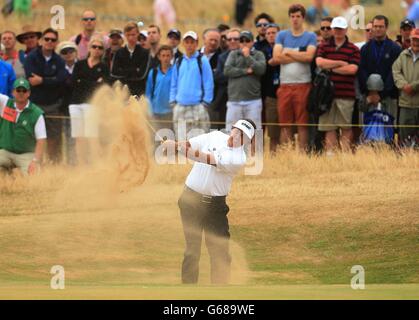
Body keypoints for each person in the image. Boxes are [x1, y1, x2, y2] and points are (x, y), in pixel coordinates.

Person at [161, 118, 256, 284]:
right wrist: (174, 145)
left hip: (215, 207)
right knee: (192, 250)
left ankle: (219, 294)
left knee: (220, 252)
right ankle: (188, 294)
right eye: (237, 131)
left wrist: (179, 148)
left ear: (247, 141)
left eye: (243, 136)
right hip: (190, 200)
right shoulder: (215, 136)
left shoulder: (238, 158)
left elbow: (205, 158)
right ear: (232, 128)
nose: (237, 136)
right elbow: (189, 144)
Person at [273, 4, 317, 151]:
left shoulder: (310, 36)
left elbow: (309, 57)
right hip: (285, 85)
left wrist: (288, 53)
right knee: (284, 123)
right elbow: (276, 57)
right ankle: (286, 155)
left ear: (303, 18)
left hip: (303, 85)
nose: (295, 19)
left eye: (298, 16)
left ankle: (302, 155)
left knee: (302, 123)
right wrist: (299, 55)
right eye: (292, 16)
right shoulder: (282, 35)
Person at [315, 16, 360, 154]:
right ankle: (331, 156)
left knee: (345, 126)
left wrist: (330, 67)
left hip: (346, 94)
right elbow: (319, 63)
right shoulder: (324, 46)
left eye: (341, 29)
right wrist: (340, 63)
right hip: (327, 94)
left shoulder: (353, 49)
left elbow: (352, 69)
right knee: (329, 127)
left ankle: (345, 155)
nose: (338, 31)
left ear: (346, 29)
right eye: (336, 28)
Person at [24, 28, 67, 164]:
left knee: (54, 139)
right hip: (35, 105)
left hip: (53, 105)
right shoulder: (31, 57)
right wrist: (51, 80)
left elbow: (61, 79)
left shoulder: (59, 60)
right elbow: (31, 79)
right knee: (34, 138)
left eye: (53, 40)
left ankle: (54, 167)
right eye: (47, 39)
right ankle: (35, 165)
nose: (49, 42)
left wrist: (42, 80)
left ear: (56, 43)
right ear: (41, 40)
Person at [69, 37, 109, 165]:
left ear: (103, 51)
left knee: (92, 137)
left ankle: (95, 164)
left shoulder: (104, 67)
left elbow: (103, 86)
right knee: (79, 138)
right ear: (89, 48)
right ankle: (81, 165)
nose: (97, 49)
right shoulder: (79, 64)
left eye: (100, 48)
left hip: (92, 105)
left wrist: (84, 82)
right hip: (76, 103)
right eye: (94, 47)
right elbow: (74, 82)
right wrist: (93, 82)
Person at [170, 31, 214, 139]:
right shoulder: (179, 61)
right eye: (187, 42)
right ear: (183, 43)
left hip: (198, 106)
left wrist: (205, 102)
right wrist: (173, 101)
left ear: (196, 43)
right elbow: (174, 83)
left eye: (192, 42)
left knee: (199, 140)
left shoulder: (202, 60)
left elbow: (209, 82)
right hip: (180, 106)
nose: (189, 45)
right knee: (181, 140)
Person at [358, 15, 403, 121]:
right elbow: (362, 70)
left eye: (381, 26)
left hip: (389, 96)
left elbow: (394, 72)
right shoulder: (365, 48)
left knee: (387, 128)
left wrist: (381, 94)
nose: (377, 29)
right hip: (369, 95)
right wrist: (370, 93)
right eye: (375, 26)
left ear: (386, 28)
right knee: (369, 128)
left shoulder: (395, 48)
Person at [0, 78, 46, 175]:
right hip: (5, 152)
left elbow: (41, 140)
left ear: (28, 93)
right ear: (13, 92)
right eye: (18, 90)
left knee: (34, 178)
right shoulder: (5, 102)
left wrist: (35, 161)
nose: (21, 93)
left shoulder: (37, 113)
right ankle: (8, 177)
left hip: (26, 154)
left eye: (24, 90)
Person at [224, 31, 266, 131]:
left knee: (255, 131)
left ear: (252, 42)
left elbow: (261, 70)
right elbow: (227, 70)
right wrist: (246, 71)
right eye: (241, 40)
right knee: (231, 131)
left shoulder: (258, 54)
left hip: (253, 101)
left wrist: (248, 57)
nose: (244, 43)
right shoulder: (233, 54)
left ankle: (256, 148)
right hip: (234, 100)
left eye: (247, 40)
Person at [392, 28, 419, 146]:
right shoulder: (403, 55)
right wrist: (403, 86)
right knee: (403, 138)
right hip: (405, 103)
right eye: (414, 39)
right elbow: (396, 71)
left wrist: (413, 86)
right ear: (410, 40)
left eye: (418, 40)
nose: (416, 42)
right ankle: (404, 161)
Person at [211, 28, 241, 130]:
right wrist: (239, 73)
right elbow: (218, 76)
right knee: (225, 130)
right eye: (230, 39)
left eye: (236, 39)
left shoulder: (248, 55)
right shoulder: (222, 57)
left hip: (245, 97)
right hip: (225, 98)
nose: (232, 41)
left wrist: (230, 72)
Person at [111, 22, 151, 97]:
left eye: (133, 35)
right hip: (122, 93)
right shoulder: (119, 52)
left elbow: (142, 75)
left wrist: (123, 71)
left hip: (139, 93)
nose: (130, 38)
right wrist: (134, 70)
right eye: (128, 35)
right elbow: (114, 72)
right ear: (125, 35)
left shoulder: (144, 53)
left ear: (138, 34)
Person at [145, 45, 174, 142]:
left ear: (171, 57)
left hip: (170, 111)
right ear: (159, 57)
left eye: (168, 55)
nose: (166, 58)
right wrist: (149, 110)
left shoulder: (175, 71)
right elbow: (148, 92)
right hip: (156, 111)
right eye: (163, 55)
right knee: (156, 138)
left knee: (169, 138)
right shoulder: (153, 72)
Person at [260, 24, 281, 153]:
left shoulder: (284, 48)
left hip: (284, 91)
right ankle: (272, 156)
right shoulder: (262, 51)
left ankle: (283, 155)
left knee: (284, 128)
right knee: (272, 131)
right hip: (269, 94)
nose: (271, 35)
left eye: (273, 32)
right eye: (268, 33)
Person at [57, 41, 78, 166]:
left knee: (75, 137)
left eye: (71, 51)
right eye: (64, 52)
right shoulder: (59, 68)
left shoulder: (81, 66)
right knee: (61, 138)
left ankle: (73, 163)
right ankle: (60, 164)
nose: (68, 54)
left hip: (77, 106)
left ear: (76, 52)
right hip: (61, 107)